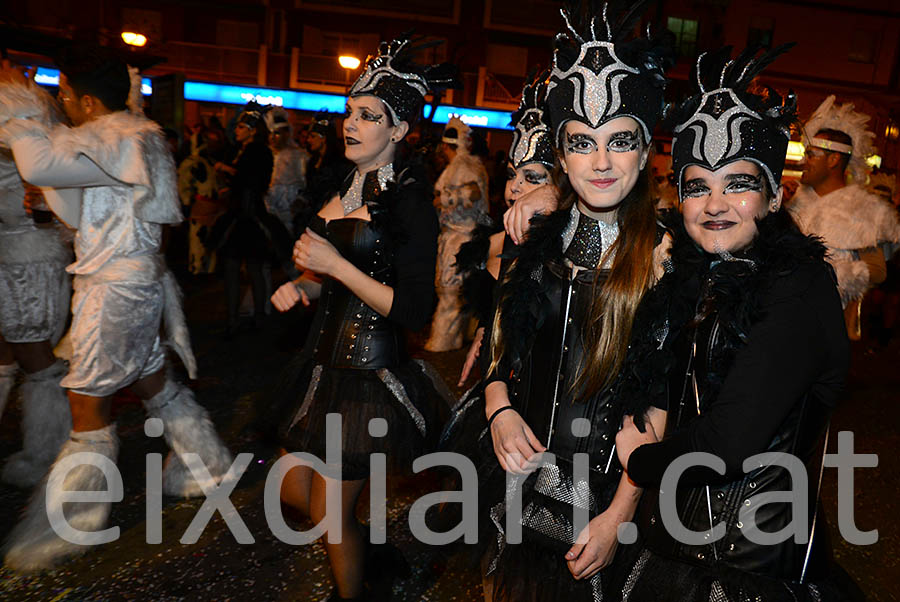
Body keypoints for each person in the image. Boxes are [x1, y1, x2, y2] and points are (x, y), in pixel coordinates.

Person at [613, 45, 859, 601]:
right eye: (697, 185)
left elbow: (730, 442)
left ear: (774, 196)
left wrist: (640, 461)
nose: (715, 203)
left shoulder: (798, 287)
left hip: (750, 563)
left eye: (738, 183)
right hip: (677, 538)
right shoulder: (695, 277)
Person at [452, 4, 671, 600]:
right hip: (518, 474)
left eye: (620, 141)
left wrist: (620, 513)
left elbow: (660, 400)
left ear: (647, 145)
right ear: (561, 152)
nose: (601, 162)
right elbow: (503, 351)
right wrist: (498, 410)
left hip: (605, 498)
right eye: (582, 143)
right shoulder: (533, 236)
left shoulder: (668, 255)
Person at [0, 46, 232, 571]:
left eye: (63, 96)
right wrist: (51, 198)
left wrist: (16, 119)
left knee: (87, 406)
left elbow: (37, 159)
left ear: (84, 99)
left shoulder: (118, 137)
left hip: (118, 291)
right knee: (154, 381)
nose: (61, 105)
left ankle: (70, 522)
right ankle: (207, 465)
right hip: (130, 283)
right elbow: (87, 207)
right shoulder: (135, 136)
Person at [268, 36, 456, 602]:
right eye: (350, 111)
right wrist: (302, 284)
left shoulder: (412, 204)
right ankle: (369, 551)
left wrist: (332, 267)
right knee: (293, 492)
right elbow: (327, 273)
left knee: (328, 512)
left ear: (398, 130)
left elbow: (415, 311)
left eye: (369, 116)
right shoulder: (339, 186)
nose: (352, 123)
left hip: (369, 378)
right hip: (320, 366)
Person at [455, 71, 556, 387]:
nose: (514, 189)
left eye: (533, 178)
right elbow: (499, 308)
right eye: (513, 175)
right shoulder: (500, 241)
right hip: (494, 393)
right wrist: (487, 331)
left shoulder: (570, 249)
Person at [0, 77, 72, 489]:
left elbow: (50, 211)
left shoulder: (27, 127)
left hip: (31, 264)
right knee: (6, 355)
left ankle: (47, 453)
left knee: (35, 357)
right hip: (13, 259)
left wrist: (41, 204)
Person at [787, 96, 900, 339]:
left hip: (825, 330)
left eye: (811, 154)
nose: (802, 161)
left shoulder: (864, 210)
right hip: (781, 322)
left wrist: (828, 275)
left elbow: (877, 270)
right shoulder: (792, 201)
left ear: (833, 159)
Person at [207, 103, 288, 336]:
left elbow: (253, 181)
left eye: (241, 127)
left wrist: (229, 170)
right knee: (233, 267)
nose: (236, 130)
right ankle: (233, 319)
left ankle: (257, 318)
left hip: (250, 215)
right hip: (237, 213)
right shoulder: (239, 150)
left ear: (252, 130)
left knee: (252, 267)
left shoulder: (259, 151)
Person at [425, 116, 491, 352]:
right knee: (464, 294)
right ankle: (464, 340)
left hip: (460, 239)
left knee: (450, 292)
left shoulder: (462, 167)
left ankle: (443, 343)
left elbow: (472, 193)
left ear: (445, 146)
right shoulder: (471, 165)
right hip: (466, 237)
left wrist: (446, 199)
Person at [265, 107, 308, 236]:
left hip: (289, 211)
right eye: (270, 133)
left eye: (277, 133)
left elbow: (307, 183)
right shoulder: (265, 154)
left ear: (287, 134)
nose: (272, 137)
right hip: (267, 207)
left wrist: (300, 200)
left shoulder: (299, 156)